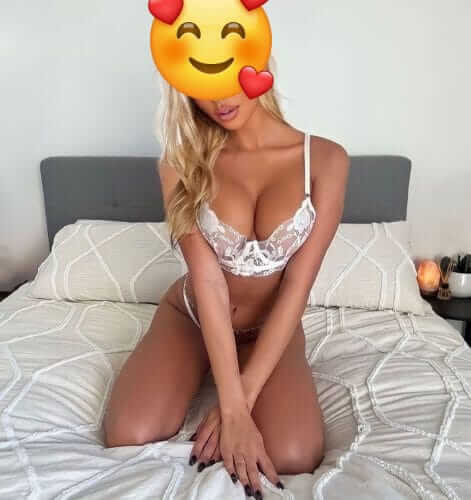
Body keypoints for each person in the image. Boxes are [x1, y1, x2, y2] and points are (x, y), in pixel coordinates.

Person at [103, 58, 350, 499]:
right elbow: (209, 282)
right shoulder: (180, 164)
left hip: (269, 327)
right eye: (201, 82)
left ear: (259, 64)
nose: (217, 98)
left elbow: (298, 284)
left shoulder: (325, 160)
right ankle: (201, 364)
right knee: (129, 432)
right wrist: (232, 408)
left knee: (294, 455)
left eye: (228, 75)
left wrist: (240, 401)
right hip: (194, 315)